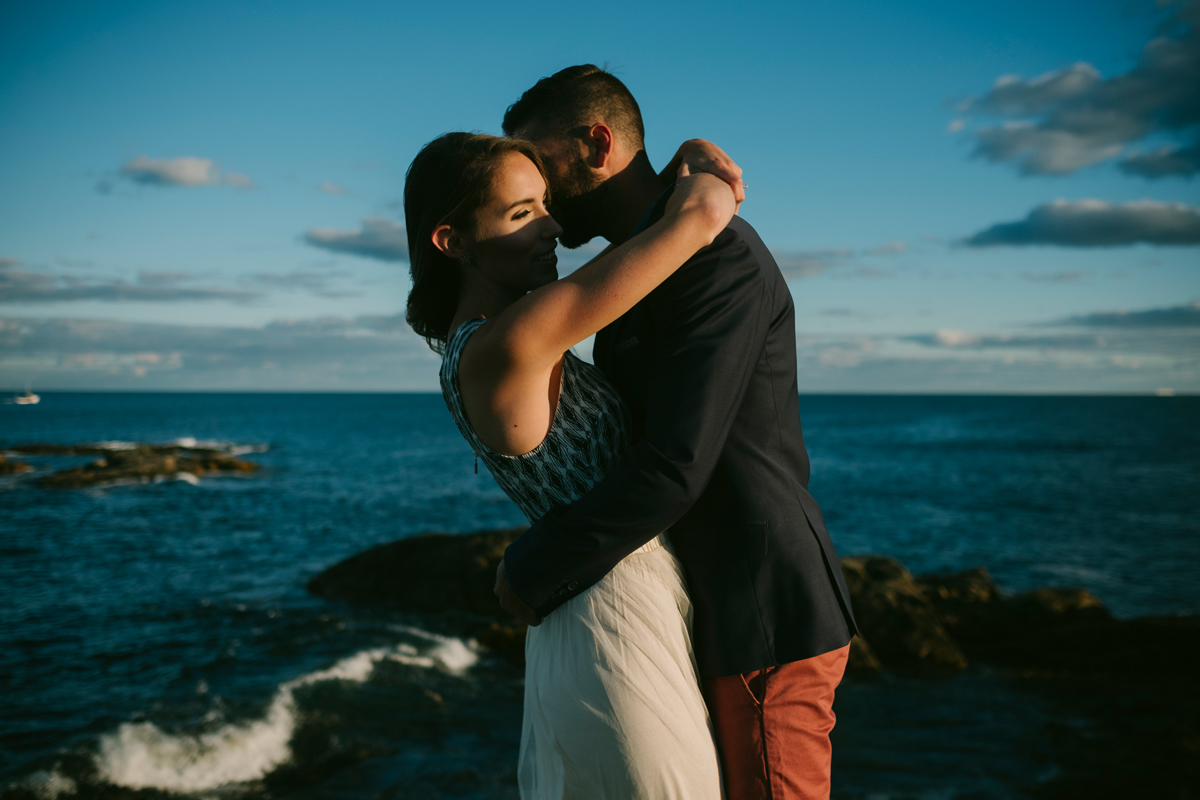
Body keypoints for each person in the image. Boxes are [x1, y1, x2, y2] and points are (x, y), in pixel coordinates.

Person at [494, 66, 860, 800]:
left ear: (597, 144)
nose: (538, 195)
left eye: (541, 163)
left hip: (759, 609)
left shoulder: (717, 257)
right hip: (704, 603)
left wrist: (532, 568)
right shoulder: (647, 258)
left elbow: (675, 462)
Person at [405, 131, 742, 798]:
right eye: (522, 212)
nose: (554, 225)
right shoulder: (512, 342)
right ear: (453, 241)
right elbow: (702, 217)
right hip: (610, 622)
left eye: (546, 204)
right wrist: (699, 164)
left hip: (596, 603)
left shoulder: (495, 342)